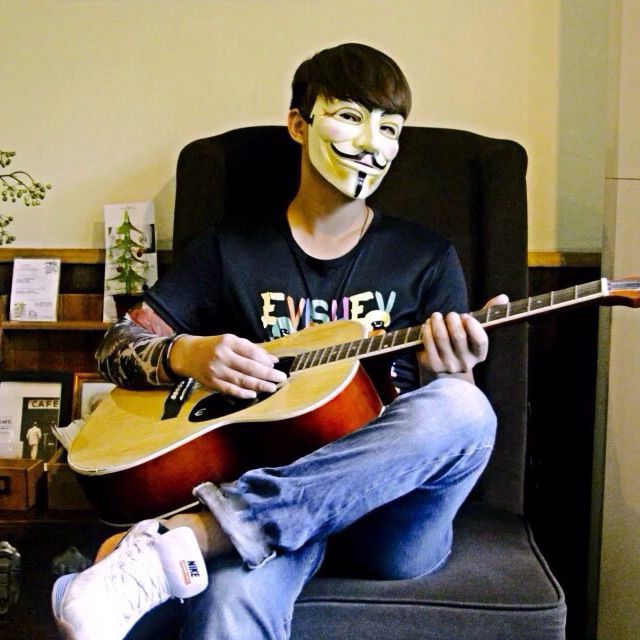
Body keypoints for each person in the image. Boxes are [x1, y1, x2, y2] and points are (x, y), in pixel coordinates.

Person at [52, 43, 506, 640]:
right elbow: (116, 345)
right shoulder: (230, 250)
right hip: (268, 491)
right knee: (227, 603)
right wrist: (185, 353)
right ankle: (206, 541)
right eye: (350, 116)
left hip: (389, 519)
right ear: (299, 124)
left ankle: (195, 534)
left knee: (466, 406)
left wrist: (451, 370)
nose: (372, 143)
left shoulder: (426, 257)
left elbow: (452, 426)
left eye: (390, 128)